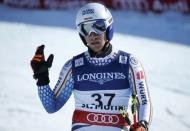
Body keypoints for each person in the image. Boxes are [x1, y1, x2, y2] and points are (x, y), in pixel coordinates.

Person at [30, 3, 152, 131]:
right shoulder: (73, 67)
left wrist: (143, 124)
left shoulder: (129, 63)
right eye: (85, 29)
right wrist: (42, 79)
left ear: (109, 28)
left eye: (99, 26)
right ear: (81, 34)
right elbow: (52, 106)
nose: (93, 35)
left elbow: (143, 101)